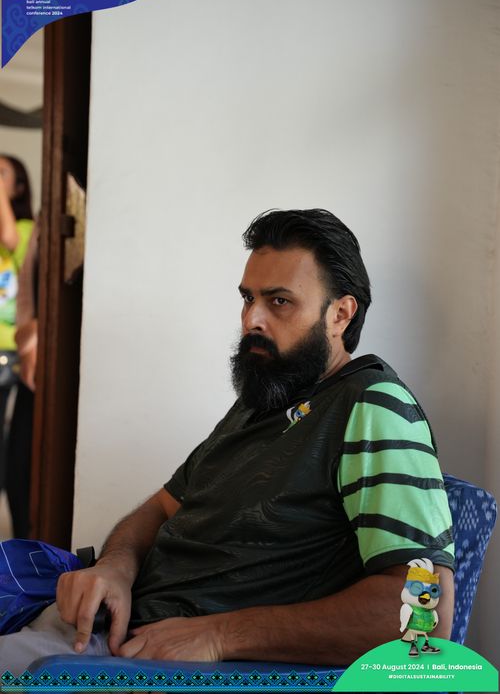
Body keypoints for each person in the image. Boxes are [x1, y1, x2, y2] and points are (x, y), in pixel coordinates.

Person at [0, 209, 454, 673]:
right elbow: (160, 509)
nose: (251, 319)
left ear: (340, 314)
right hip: (91, 623)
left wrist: (221, 636)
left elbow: (426, 616)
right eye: (248, 298)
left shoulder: (373, 406)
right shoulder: (263, 400)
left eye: (279, 301)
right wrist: (115, 566)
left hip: (137, 662)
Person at [0, 156, 34, 499]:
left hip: (8, 346)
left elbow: (9, 239)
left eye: (1, 173)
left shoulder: (24, 228)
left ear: (19, 187)